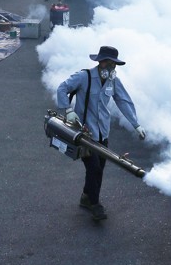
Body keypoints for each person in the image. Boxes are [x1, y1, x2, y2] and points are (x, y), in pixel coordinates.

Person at [56, 46, 146, 221]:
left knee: (99, 170)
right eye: (108, 63)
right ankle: (95, 205)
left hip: (103, 133)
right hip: (85, 133)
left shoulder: (113, 81)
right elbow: (62, 88)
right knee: (94, 168)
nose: (111, 67)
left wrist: (136, 124)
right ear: (100, 61)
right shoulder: (84, 76)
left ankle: (86, 196)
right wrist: (67, 110)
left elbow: (124, 101)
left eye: (114, 64)